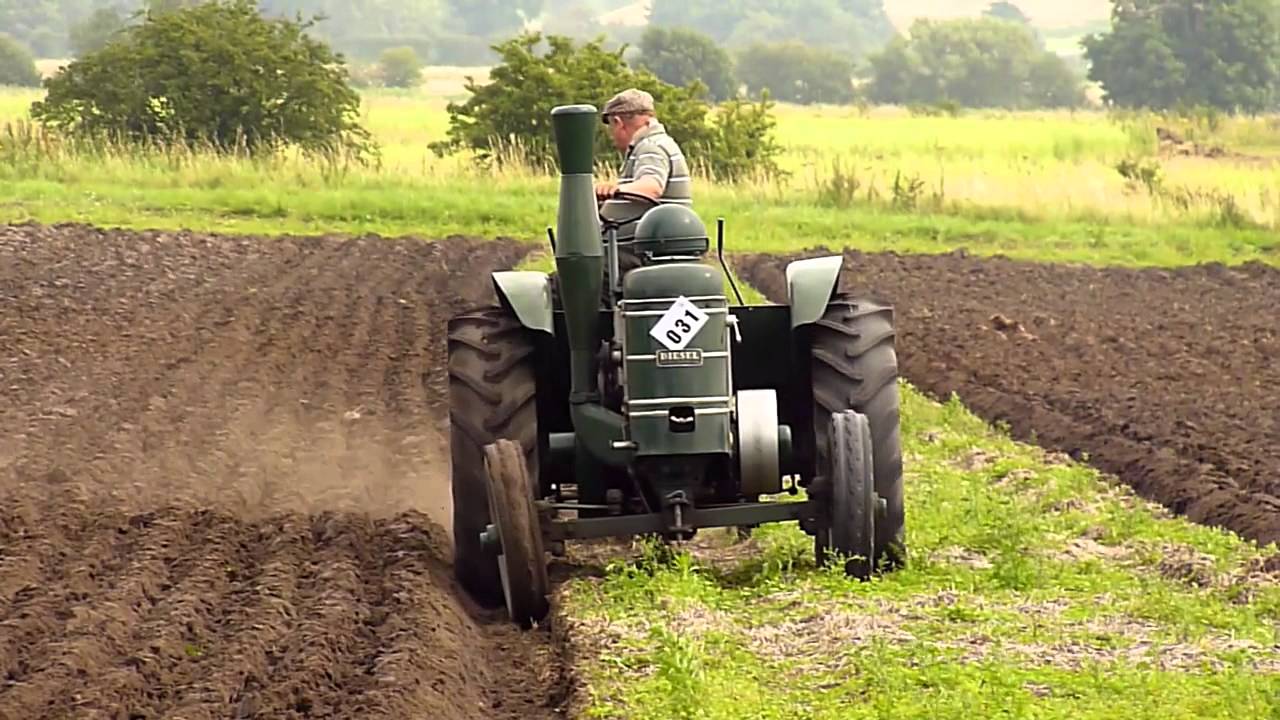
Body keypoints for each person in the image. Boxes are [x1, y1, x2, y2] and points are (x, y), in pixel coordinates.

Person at [595, 88, 693, 272]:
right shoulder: (655, 143)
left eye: (611, 127)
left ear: (618, 122)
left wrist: (614, 189)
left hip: (640, 253)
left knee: (566, 287)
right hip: (642, 248)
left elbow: (652, 187)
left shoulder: (650, 147)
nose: (611, 134)